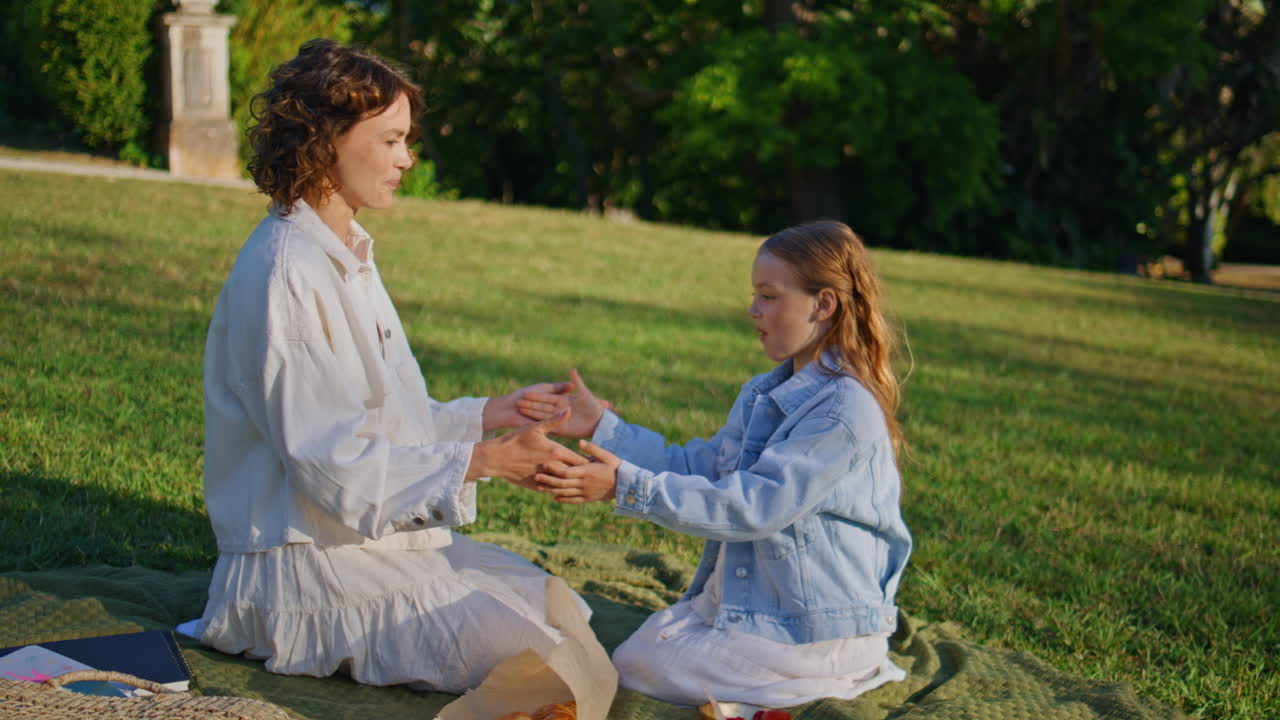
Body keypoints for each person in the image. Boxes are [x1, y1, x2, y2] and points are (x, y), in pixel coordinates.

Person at [196, 39, 592, 693]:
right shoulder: (287, 272)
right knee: (542, 666)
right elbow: (332, 466)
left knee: (559, 610)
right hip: (305, 571)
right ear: (324, 140)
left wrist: (493, 415)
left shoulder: (343, 253)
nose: (407, 159)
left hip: (366, 547)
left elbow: (385, 423)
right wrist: (486, 461)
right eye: (391, 140)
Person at [525, 221, 912, 708]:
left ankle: (823, 681)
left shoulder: (843, 412)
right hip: (763, 606)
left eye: (769, 296)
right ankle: (760, 680)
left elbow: (753, 507)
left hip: (813, 627)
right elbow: (700, 467)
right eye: (755, 295)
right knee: (641, 650)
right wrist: (600, 426)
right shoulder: (762, 394)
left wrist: (624, 487)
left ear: (824, 304)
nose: (753, 310)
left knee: (633, 665)